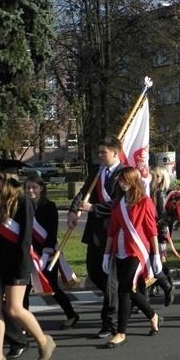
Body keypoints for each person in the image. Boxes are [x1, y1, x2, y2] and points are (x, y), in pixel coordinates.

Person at [0, 170, 56, 360]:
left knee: (15, 309)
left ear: (8, 179)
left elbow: (26, 237)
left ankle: (44, 341)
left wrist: (23, 264)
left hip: (16, 262)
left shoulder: (23, 202)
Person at [67, 136, 123, 338]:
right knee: (94, 272)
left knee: (110, 280)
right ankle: (123, 299)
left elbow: (118, 205)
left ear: (115, 153)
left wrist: (93, 208)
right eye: (99, 152)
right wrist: (74, 210)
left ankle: (109, 323)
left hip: (114, 234)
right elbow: (83, 193)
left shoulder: (124, 174)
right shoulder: (97, 172)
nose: (99, 156)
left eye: (103, 152)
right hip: (95, 233)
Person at [103, 167, 162, 347]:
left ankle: (121, 332)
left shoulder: (145, 202)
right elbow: (112, 231)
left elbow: (152, 231)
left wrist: (156, 255)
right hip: (120, 250)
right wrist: (106, 254)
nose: (123, 183)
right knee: (129, 290)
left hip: (138, 251)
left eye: (126, 180)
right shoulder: (118, 202)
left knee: (124, 289)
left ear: (134, 180)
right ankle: (152, 314)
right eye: (121, 180)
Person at [25, 175, 79, 328]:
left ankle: (72, 315)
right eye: (28, 187)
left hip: (47, 254)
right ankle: (23, 325)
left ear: (41, 188)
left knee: (53, 286)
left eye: (34, 187)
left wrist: (45, 255)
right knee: (25, 288)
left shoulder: (49, 206)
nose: (30, 190)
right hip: (28, 254)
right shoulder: (21, 205)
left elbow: (51, 232)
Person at [148, 167, 175, 306]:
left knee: (154, 263)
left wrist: (162, 236)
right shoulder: (149, 192)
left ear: (162, 179)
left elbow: (162, 216)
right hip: (148, 233)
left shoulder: (160, 194)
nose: (154, 179)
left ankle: (166, 285)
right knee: (151, 263)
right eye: (152, 176)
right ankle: (166, 282)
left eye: (157, 176)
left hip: (157, 234)